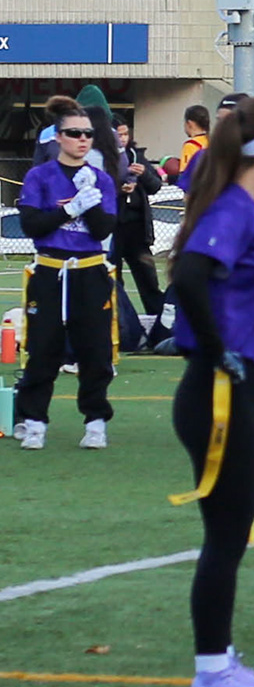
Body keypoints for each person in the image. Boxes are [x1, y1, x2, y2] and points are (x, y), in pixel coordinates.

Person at [166, 97, 254, 687]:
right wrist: (221, 352)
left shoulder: (253, 209)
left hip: (246, 385)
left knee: (233, 532)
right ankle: (211, 673)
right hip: (221, 389)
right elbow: (190, 274)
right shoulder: (234, 210)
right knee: (225, 535)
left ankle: (220, 660)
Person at [13, 105, 117, 450]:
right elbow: (31, 225)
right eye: (74, 133)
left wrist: (92, 203)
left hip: (89, 271)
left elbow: (102, 230)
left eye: (88, 134)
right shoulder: (40, 176)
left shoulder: (101, 179)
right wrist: (69, 209)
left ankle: (96, 421)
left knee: (95, 351)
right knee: (43, 348)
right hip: (50, 271)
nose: (82, 140)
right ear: (58, 137)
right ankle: (34, 421)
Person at [113, 118, 166, 320]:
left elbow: (155, 186)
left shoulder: (136, 155)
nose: (123, 139)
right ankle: (119, 321)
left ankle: (159, 320)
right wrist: (119, 188)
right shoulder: (104, 157)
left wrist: (144, 174)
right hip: (114, 226)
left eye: (125, 134)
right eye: (118, 134)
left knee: (147, 275)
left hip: (136, 225)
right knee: (113, 278)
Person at [169, 103, 210, 181]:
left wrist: (167, 177)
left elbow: (184, 175)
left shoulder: (191, 145)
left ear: (190, 124)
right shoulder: (212, 141)